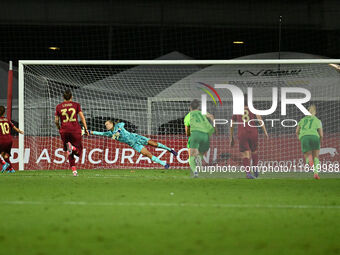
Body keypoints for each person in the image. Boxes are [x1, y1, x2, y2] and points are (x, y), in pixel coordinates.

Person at [88, 120, 177, 168]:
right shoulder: (109, 134)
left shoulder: (118, 125)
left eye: (107, 124)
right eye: (105, 125)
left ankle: (170, 150)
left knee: (154, 144)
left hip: (136, 137)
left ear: (111, 124)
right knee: (147, 154)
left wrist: (118, 129)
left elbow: (123, 123)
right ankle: (164, 164)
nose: (106, 126)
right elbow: (99, 133)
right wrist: (89, 131)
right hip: (134, 145)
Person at [230, 94, 268, 179]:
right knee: (254, 151)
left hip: (242, 133)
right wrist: (265, 132)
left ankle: (248, 173)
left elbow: (232, 124)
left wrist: (231, 136)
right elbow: (259, 119)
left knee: (245, 154)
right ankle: (255, 168)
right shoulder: (252, 109)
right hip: (253, 132)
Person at [55, 90, 89, 176]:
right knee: (79, 151)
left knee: (68, 151)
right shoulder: (76, 105)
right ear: (71, 97)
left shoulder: (58, 107)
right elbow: (82, 117)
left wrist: (59, 128)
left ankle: (74, 171)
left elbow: (56, 121)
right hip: (75, 130)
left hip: (64, 131)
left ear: (63, 97)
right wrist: (86, 128)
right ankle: (73, 148)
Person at [184, 99, 215, 177]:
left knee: (191, 155)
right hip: (205, 135)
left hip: (194, 135)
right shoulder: (202, 112)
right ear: (198, 107)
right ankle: (199, 160)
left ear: (190, 107)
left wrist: (189, 136)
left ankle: (195, 172)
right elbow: (211, 116)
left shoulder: (188, 115)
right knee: (201, 152)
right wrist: (214, 126)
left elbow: (187, 129)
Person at [296, 104, 323, 179]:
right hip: (315, 137)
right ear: (315, 112)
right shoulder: (318, 120)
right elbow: (321, 134)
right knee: (316, 157)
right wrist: (320, 141)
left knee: (308, 157)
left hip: (305, 137)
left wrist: (299, 138)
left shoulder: (302, 120)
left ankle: (313, 169)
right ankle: (316, 172)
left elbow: (297, 131)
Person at [0, 105, 24, 173]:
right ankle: (11, 169)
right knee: (4, 155)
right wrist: (20, 131)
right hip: (9, 140)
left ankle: (4, 164)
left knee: (3, 155)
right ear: (4, 112)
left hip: (1, 139)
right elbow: (14, 127)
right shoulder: (7, 120)